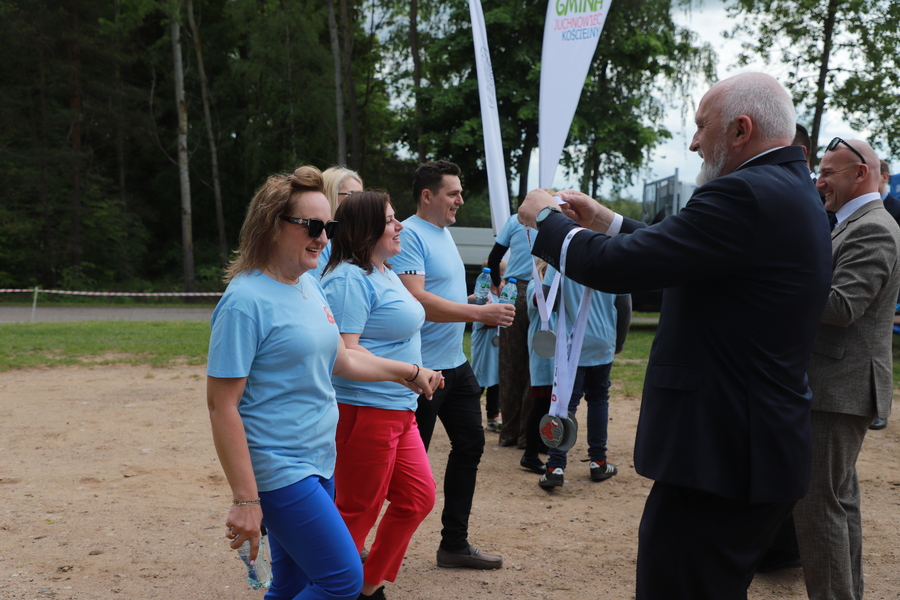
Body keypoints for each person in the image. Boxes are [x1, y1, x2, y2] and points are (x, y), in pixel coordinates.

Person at [518, 72, 832, 599]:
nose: (693, 142)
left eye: (700, 126)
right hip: (744, 447)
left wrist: (545, 222)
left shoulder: (745, 193)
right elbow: (686, 254)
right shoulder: (781, 189)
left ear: (740, 130)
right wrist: (608, 220)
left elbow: (621, 269)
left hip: (722, 454)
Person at [206, 166, 441, 600]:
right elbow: (223, 406)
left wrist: (407, 373)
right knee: (342, 580)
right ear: (273, 225)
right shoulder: (244, 301)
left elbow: (344, 359)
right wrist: (244, 499)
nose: (324, 237)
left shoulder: (308, 287)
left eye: (328, 226)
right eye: (313, 226)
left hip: (320, 459)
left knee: (292, 584)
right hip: (279, 469)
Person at [391, 160, 514, 570]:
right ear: (428, 196)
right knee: (406, 468)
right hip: (422, 372)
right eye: (453, 193)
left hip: (456, 368)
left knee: (471, 446)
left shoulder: (442, 232)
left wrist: (474, 304)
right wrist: (478, 315)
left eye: (460, 192)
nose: (461, 199)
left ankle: (454, 545)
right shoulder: (409, 234)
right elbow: (417, 301)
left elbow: (442, 294)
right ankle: (355, 545)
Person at [793, 138, 900, 600]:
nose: (818, 182)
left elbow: (841, 306)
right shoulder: (854, 223)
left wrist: (783, 273)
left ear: (860, 174)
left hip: (840, 388)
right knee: (838, 502)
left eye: (828, 173)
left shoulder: (872, 227)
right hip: (840, 385)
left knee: (818, 507)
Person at [319, 191, 436, 600]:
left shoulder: (382, 269)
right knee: (356, 511)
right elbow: (344, 352)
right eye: (390, 220)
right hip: (364, 410)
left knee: (418, 498)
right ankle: (332, 590)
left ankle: (365, 588)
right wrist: (410, 372)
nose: (399, 224)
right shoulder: (348, 278)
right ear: (366, 229)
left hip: (398, 410)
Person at [536, 265, 630, 489]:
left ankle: (555, 467)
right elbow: (624, 305)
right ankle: (598, 462)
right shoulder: (611, 255)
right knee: (599, 400)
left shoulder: (562, 257)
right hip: (603, 341)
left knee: (565, 405)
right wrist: (619, 342)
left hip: (572, 344)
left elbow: (544, 303)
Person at [487, 214, 533, 447]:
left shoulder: (516, 220)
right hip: (541, 291)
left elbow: (494, 257)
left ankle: (508, 433)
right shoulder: (558, 219)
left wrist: (497, 283)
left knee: (509, 365)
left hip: (512, 292)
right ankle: (527, 436)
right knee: (535, 368)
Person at [470, 259, 505, 432]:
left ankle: (493, 416)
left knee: (496, 380)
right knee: (480, 380)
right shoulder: (483, 294)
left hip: (498, 345)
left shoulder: (504, 293)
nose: (504, 279)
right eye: (501, 275)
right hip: (485, 343)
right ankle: (471, 417)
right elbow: (480, 315)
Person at [313, 167, 364, 277]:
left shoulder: (354, 239)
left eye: (362, 196)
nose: (362, 202)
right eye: (354, 195)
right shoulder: (318, 239)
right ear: (331, 194)